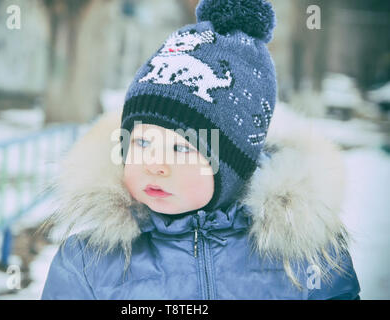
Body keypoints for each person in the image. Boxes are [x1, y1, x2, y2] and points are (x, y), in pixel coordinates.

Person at [41, 0, 360, 299]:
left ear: (234, 166)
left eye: (181, 149)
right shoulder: (88, 262)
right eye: (141, 142)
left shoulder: (305, 254)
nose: (155, 164)